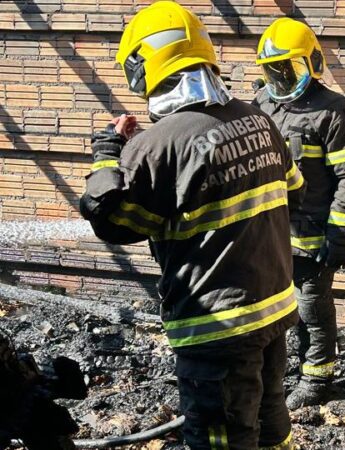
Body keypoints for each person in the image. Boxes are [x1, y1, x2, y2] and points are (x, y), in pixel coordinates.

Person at [79, 3, 304, 449]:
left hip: (215, 330)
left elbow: (115, 224)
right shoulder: (260, 120)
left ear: (144, 65)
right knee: (272, 425)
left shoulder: (157, 145)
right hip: (274, 310)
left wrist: (107, 152)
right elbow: (293, 190)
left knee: (220, 438)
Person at [252, 18, 345, 410]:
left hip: (313, 236)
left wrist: (341, 232)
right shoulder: (262, 103)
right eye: (275, 71)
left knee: (311, 310)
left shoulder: (335, 112)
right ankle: (279, 372)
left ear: (312, 62)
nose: (282, 80)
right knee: (273, 309)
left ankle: (317, 380)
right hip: (268, 234)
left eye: (290, 69)